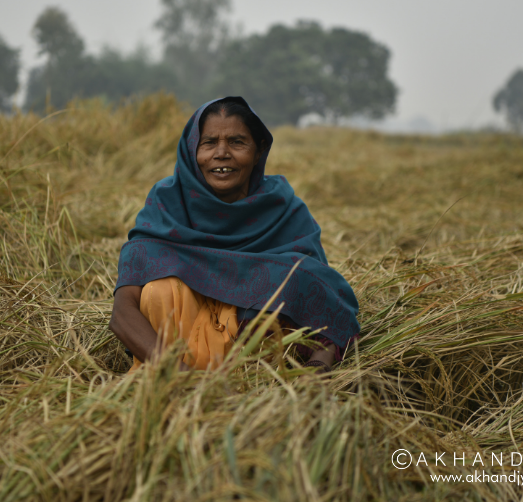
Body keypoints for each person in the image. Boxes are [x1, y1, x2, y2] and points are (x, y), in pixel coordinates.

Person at [109, 96, 359, 373]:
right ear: (191, 151)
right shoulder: (167, 204)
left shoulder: (283, 207)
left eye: (237, 142)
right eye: (209, 143)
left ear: (258, 150)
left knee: (296, 275)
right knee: (159, 290)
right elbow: (122, 312)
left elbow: (325, 306)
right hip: (172, 370)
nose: (222, 153)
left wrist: (315, 373)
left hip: (259, 369)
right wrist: (181, 377)